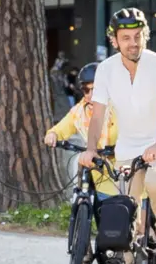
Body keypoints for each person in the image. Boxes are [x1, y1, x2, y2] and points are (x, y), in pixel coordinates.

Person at [80, 7, 156, 259]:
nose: (133, 43)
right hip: (128, 149)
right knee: (127, 213)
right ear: (114, 40)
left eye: (138, 36)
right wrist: (91, 148)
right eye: (126, 38)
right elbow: (98, 115)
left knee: (154, 181)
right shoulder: (106, 70)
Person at [44, 61, 120, 203]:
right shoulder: (79, 111)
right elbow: (61, 128)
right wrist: (52, 135)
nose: (90, 95)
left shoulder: (119, 107)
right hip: (96, 171)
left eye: (95, 90)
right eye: (86, 90)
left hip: (121, 172)